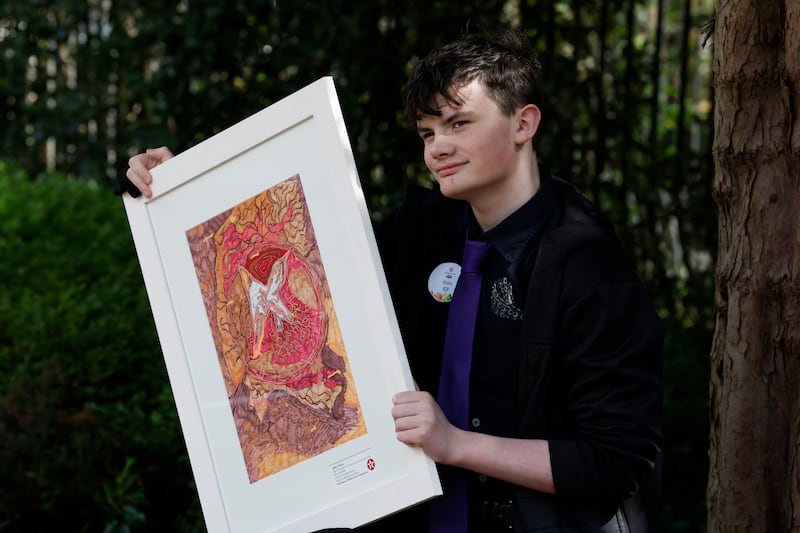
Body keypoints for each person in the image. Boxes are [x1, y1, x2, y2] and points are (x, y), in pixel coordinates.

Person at [120, 29, 662, 532]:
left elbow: (613, 462)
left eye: (459, 124)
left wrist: (455, 444)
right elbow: (301, 263)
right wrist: (183, 186)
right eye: (427, 132)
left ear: (523, 123)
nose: (437, 148)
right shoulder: (419, 232)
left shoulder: (588, 264)